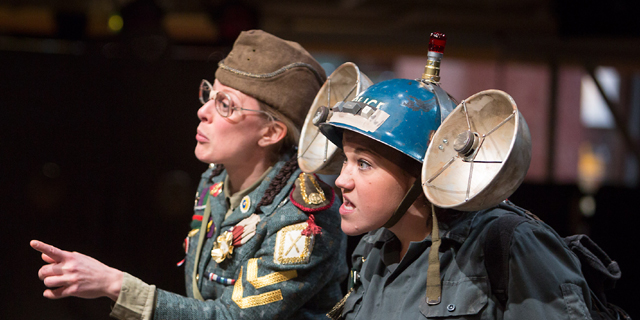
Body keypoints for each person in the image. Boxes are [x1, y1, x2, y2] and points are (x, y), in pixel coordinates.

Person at [31, 29, 348, 320]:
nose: (203, 111)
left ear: (271, 132)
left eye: (225, 104)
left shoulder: (303, 218)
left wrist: (115, 284)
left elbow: (231, 317)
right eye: (210, 94)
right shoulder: (216, 180)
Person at [318, 78, 593, 319]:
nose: (342, 180)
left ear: (425, 170)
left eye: (364, 163)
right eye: (345, 160)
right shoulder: (370, 251)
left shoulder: (509, 245)